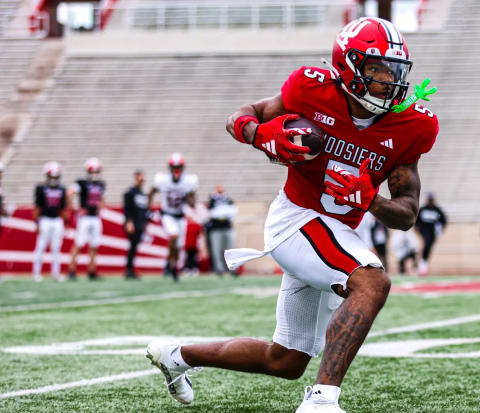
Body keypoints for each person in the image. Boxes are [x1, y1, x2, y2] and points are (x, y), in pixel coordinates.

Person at [146, 17, 438, 412]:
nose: (390, 79)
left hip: (334, 235)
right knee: (371, 283)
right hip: (295, 220)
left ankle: (177, 355)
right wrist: (263, 135)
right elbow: (244, 116)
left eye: (394, 69)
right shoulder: (311, 89)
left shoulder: (410, 125)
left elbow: (406, 214)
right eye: (377, 68)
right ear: (349, 68)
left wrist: (371, 200)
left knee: (285, 361)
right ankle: (322, 401)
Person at [148, 153, 198, 282]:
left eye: (179, 167)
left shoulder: (188, 182)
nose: (177, 170)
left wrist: (189, 197)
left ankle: (172, 265)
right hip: (168, 215)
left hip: (180, 217)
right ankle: (171, 264)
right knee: (174, 236)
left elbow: (192, 203)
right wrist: (149, 207)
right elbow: (151, 192)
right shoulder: (163, 180)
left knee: (178, 246)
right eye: (174, 167)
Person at [67, 158, 105, 280]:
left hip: (95, 217)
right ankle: (71, 270)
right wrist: (74, 207)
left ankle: (92, 271)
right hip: (84, 217)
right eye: (92, 171)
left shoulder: (101, 184)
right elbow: (69, 192)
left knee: (94, 245)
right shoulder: (81, 182)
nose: (94, 174)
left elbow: (101, 199)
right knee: (79, 243)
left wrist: (101, 206)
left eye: (96, 171)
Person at [32, 162, 68, 282]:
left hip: (57, 220)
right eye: (51, 176)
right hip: (45, 219)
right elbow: (37, 207)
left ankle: (55, 273)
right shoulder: (41, 188)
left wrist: (66, 223)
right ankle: (36, 273)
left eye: (55, 177)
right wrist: (36, 223)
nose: (53, 179)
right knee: (41, 247)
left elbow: (63, 208)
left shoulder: (62, 189)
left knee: (56, 248)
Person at [123, 169, 149, 279]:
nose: (142, 180)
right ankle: (129, 270)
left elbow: (143, 211)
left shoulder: (142, 194)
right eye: (140, 178)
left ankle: (131, 269)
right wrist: (129, 222)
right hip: (132, 224)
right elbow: (127, 209)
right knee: (132, 246)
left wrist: (144, 225)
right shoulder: (130, 192)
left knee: (135, 247)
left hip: (139, 224)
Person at [206, 185, 237, 276]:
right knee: (216, 249)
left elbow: (233, 212)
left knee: (231, 249)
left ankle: (232, 268)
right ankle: (219, 269)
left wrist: (221, 213)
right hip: (215, 228)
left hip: (227, 227)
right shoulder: (212, 200)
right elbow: (212, 213)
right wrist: (223, 213)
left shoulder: (228, 199)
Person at [414, 193, 447, 275]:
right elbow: (416, 219)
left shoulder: (437, 210)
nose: (430, 201)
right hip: (424, 231)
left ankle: (423, 264)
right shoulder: (423, 209)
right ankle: (422, 265)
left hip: (433, 232)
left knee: (428, 247)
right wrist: (417, 227)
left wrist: (440, 228)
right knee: (426, 244)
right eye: (429, 200)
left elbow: (443, 220)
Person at [183, 192, 208, 277]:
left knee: (196, 252)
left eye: (192, 197)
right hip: (187, 233)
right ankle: (187, 268)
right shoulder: (185, 208)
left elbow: (205, 219)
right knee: (188, 251)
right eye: (189, 198)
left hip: (197, 232)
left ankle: (194, 267)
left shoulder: (200, 207)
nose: (191, 200)